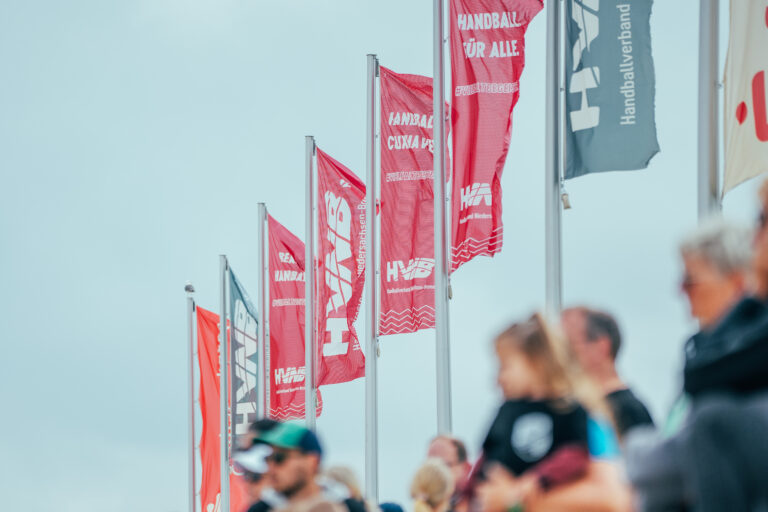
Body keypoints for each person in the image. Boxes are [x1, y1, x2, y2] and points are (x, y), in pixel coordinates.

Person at [476, 313, 605, 512]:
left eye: (506, 367)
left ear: (535, 362)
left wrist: (537, 480)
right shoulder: (507, 411)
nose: (499, 379)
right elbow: (487, 457)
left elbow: (577, 453)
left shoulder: (569, 409)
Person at [561, 307, 654, 439]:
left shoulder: (630, 411)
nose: (562, 355)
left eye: (570, 344)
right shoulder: (573, 407)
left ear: (601, 346)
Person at [256, 422, 367, 512]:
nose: (271, 468)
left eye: (279, 458)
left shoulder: (349, 508)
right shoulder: (261, 509)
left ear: (312, 461)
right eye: (267, 459)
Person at [426, 435, 471, 508]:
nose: (435, 474)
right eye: (430, 468)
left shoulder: (480, 503)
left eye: (444, 466)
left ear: (466, 467)